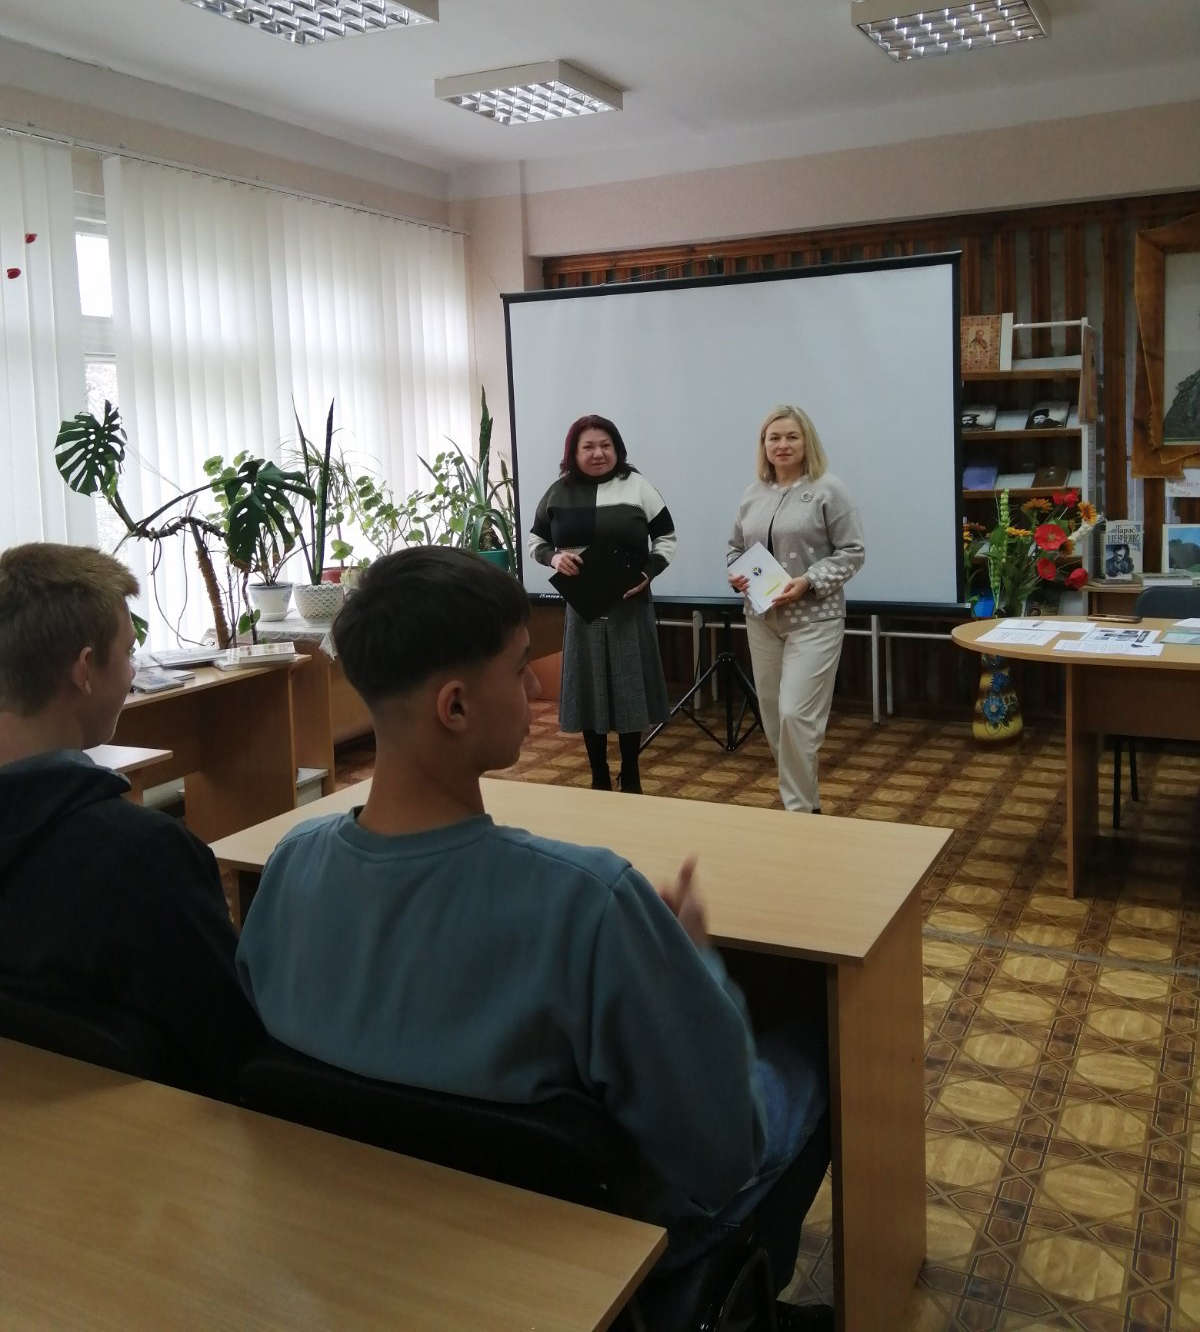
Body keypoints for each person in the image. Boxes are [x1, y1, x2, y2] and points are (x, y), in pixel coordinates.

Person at [236, 548, 833, 1331]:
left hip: (353, 1241)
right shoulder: (590, 903)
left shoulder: (289, 869)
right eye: (519, 669)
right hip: (576, 1259)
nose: (532, 689)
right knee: (814, 1055)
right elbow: (722, 1155)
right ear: (455, 707)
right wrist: (695, 968)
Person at [0, 542, 262, 1098]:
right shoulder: (146, 857)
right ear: (85, 670)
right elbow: (237, 1050)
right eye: (127, 652)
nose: (133, 669)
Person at [527, 414, 675, 794]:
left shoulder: (638, 486)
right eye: (588, 447)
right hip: (583, 608)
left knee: (629, 691)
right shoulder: (557, 493)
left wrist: (648, 573)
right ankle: (598, 773)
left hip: (630, 605)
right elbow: (536, 543)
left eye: (606, 445)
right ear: (573, 453)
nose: (598, 453)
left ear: (618, 449)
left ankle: (631, 771)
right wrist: (554, 558)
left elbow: (666, 539)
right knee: (589, 690)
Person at [728, 406, 865, 815]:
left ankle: (801, 811)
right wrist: (736, 575)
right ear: (764, 445)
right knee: (773, 716)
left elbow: (853, 552)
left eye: (792, 436)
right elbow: (735, 549)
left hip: (815, 620)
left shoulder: (828, 489)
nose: (783, 445)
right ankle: (804, 802)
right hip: (762, 620)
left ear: (807, 442)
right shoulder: (752, 494)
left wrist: (808, 580)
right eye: (774, 438)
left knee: (795, 715)